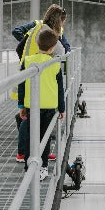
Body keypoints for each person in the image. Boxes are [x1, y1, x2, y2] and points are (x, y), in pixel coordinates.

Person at [13, 4, 70, 163]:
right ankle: (26, 153)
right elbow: (63, 52)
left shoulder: (37, 29)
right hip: (38, 77)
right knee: (31, 120)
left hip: (30, 72)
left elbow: (19, 48)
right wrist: (41, 59)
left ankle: (31, 152)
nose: (63, 25)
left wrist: (29, 61)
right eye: (62, 22)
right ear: (58, 20)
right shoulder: (48, 33)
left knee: (28, 116)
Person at [17, 28, 65, 181]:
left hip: (32, 106)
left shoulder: (28, 60)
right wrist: (62, 108)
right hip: (50, 107)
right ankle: (43, 167)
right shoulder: (55, 63)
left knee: (32, 137)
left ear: (37, 43)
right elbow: (60, 88)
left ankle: (28, 167)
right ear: (53, 48)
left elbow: (22, 85)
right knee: (45, 138)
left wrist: (21, 105)